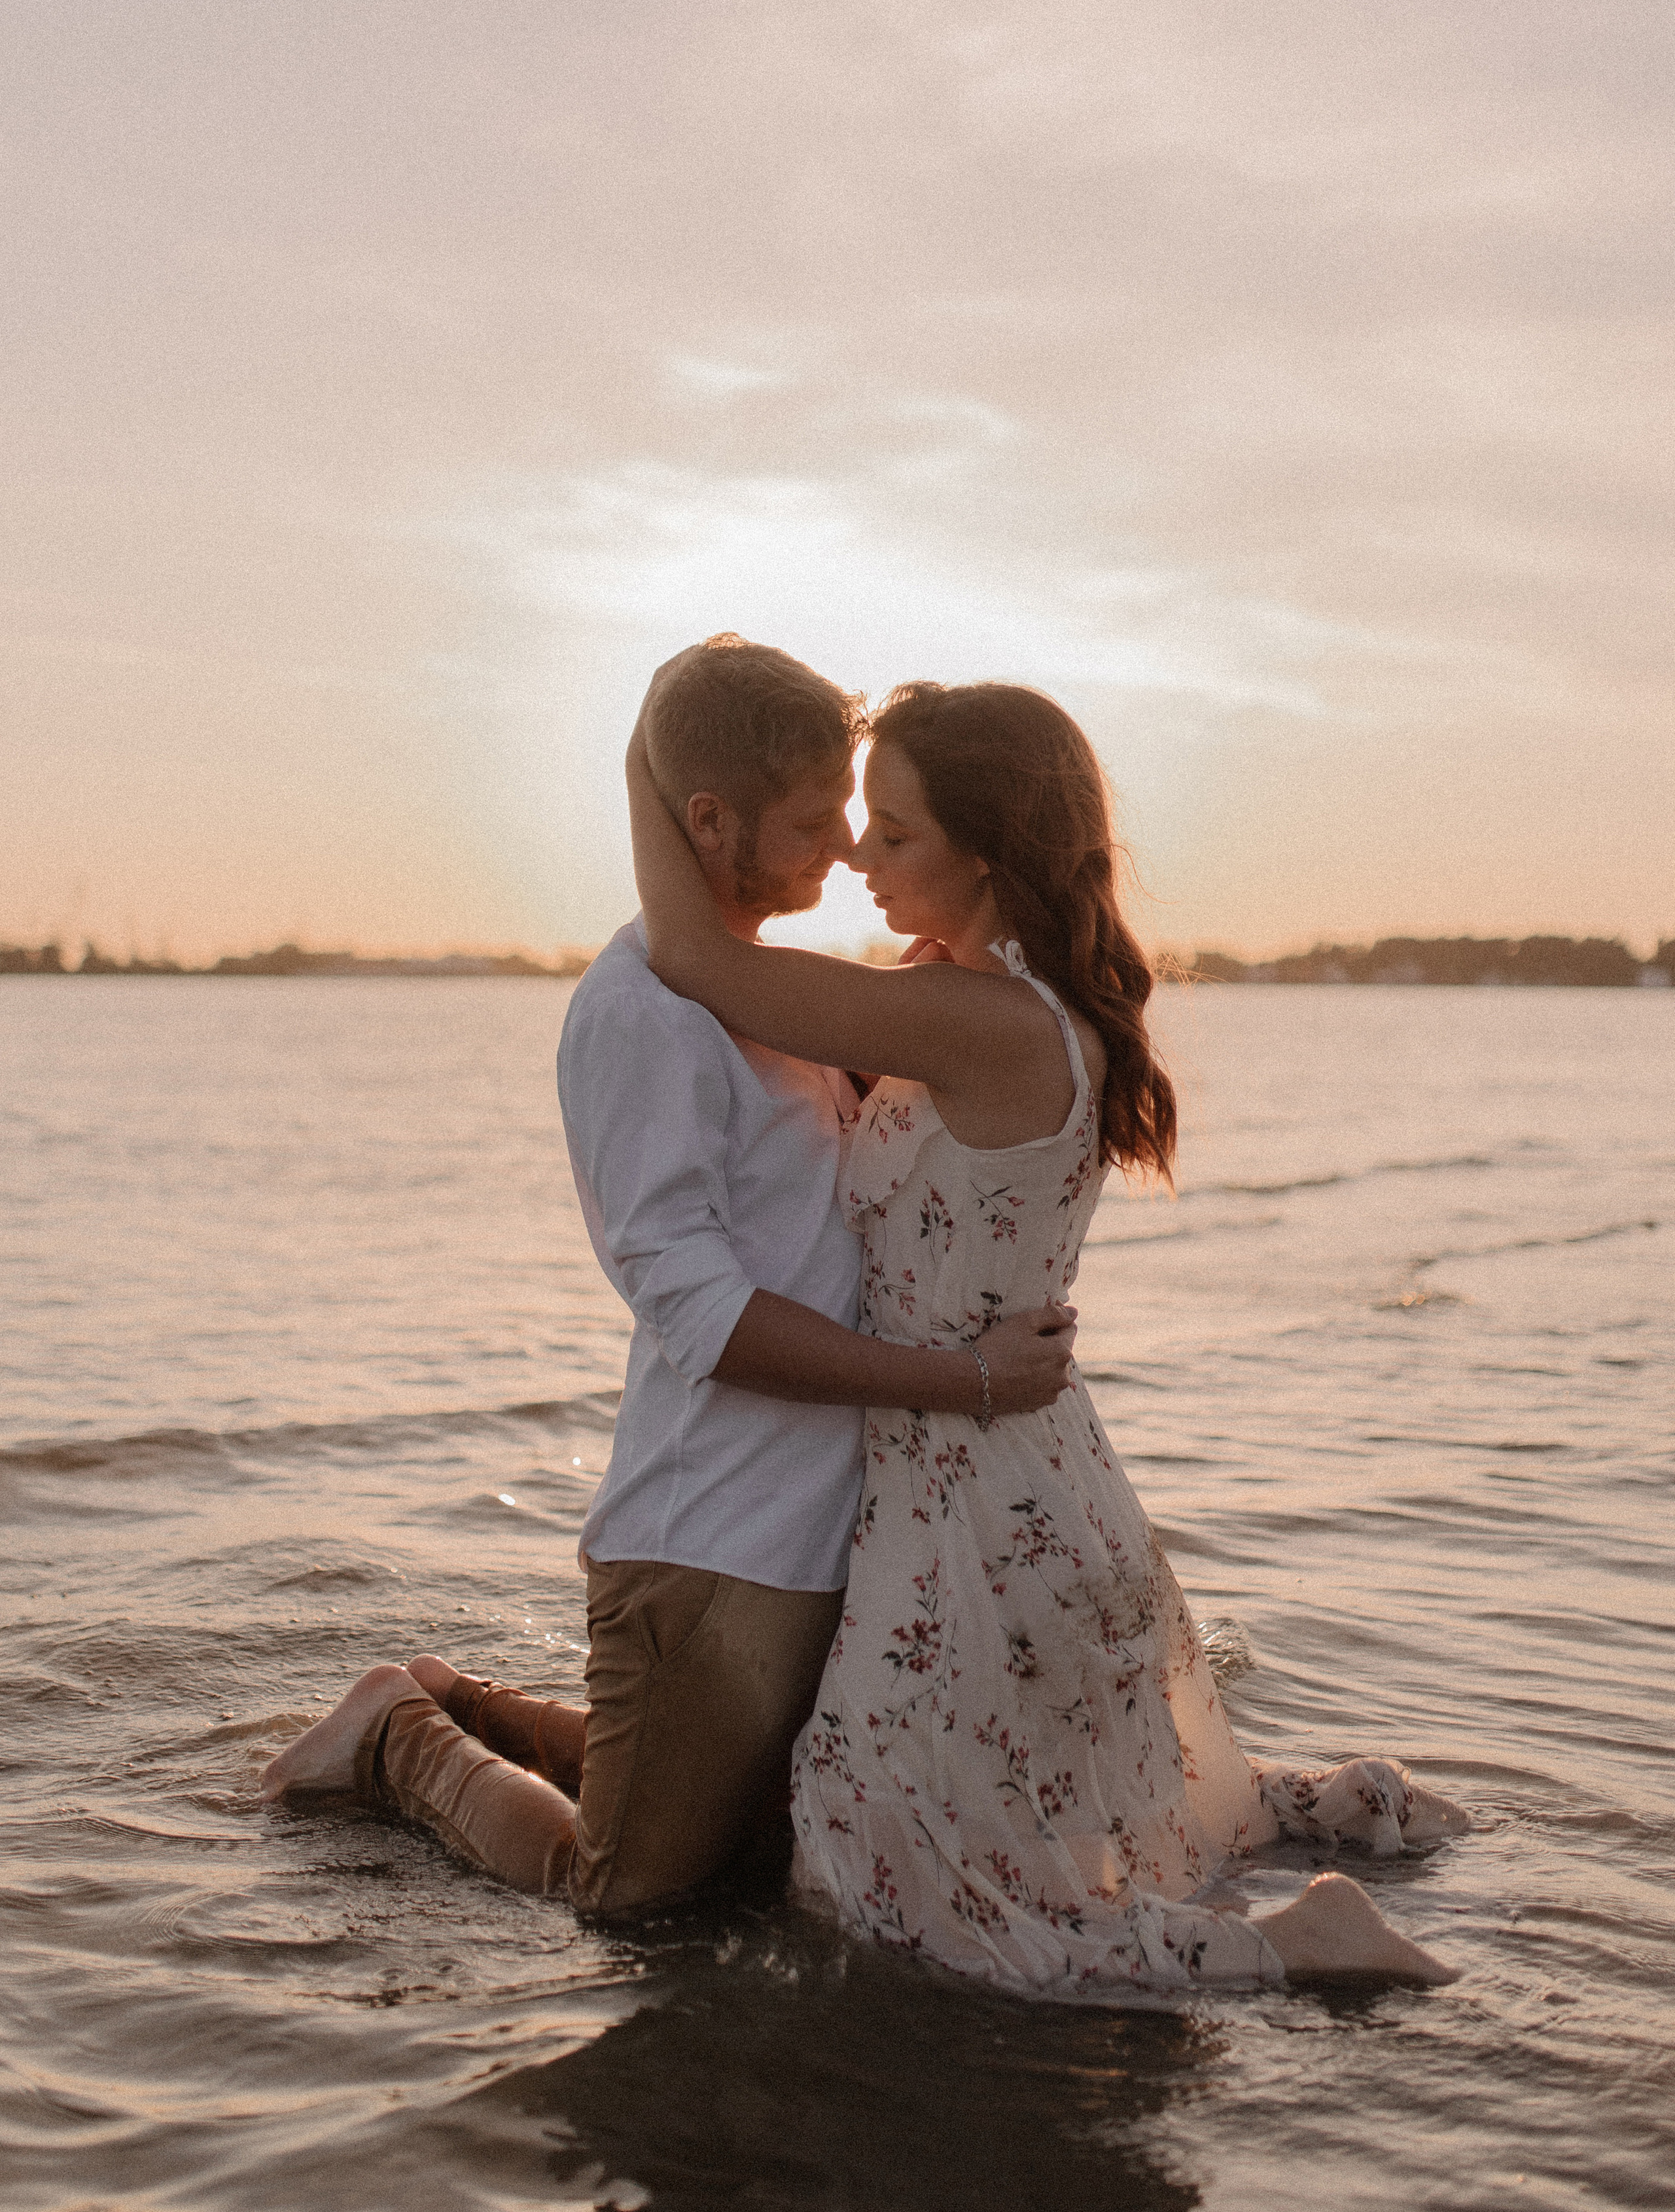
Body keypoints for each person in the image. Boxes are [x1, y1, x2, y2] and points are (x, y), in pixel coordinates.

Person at [624, 671, 1468, 1989]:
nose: (857, 854)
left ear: (988, 853)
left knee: (895, 1887)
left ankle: (1294, 1949)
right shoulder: (971, 998)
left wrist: (645, 756)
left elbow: (694, 961)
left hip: (971, 1492)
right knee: (966, 1838)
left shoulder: (974, 1020)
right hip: (1010, 1481)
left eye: (893, 834)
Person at [261, 637, 1077, 1914]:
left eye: (859, 822)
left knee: (757, 1853)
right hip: (709, 1538)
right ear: (709, 821)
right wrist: (955, 1379)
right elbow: (692, 1308)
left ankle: (457, 1701)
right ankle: (391, 1734)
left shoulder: (789, 1005)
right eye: (813, 823)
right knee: (626, 1894)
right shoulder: (640, 1011)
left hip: (832, 1527)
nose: (841, 851)